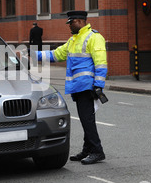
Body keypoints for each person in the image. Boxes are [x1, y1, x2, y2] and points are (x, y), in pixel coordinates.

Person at [33, 11, 107, 165]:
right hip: (79, 87)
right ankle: (88, 150)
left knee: (87, 120)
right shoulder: (74, 40)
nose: (69, 26)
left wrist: (98, 86)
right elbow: (56, 55)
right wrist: (33, 55)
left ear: (80, 21)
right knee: (86, 119)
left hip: (88, 87)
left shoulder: (94, 37)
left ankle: (97, 151)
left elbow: (101, 63)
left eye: (71, 23)